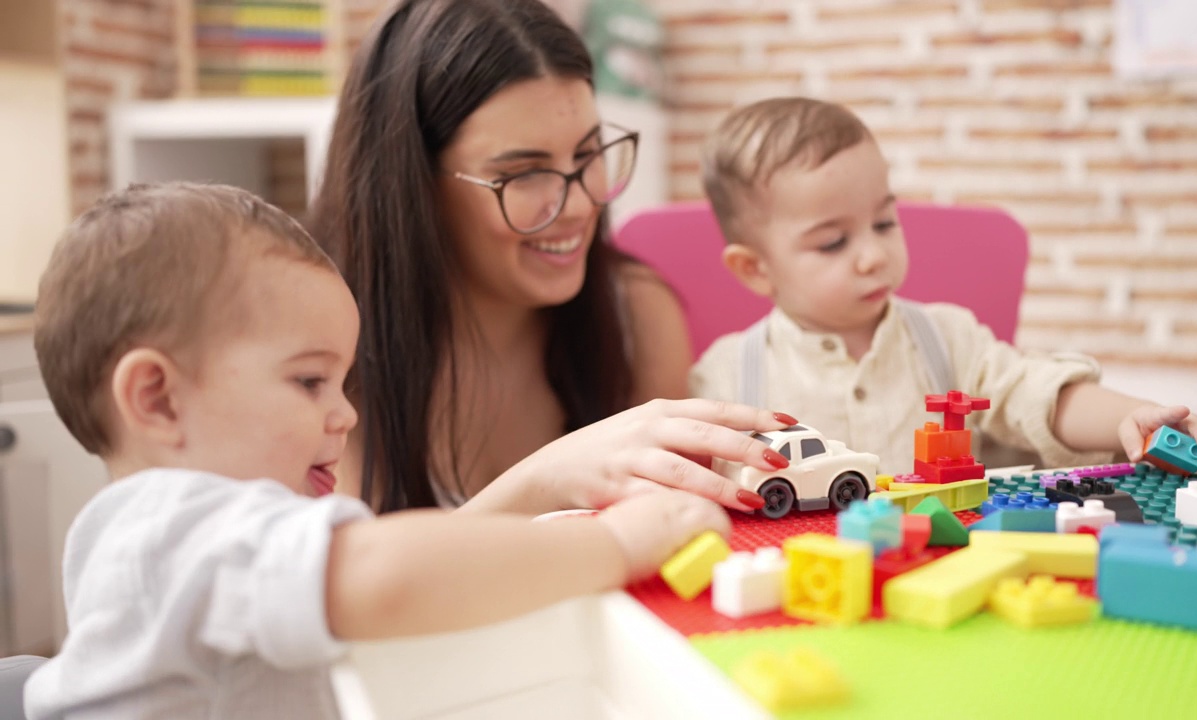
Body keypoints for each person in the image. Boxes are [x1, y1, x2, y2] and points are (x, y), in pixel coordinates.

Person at [22, 182, 743, 717]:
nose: (342, 414)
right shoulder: (170, 528)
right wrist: (616, 544)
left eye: (341, 381)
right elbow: (386, 576)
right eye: (309, 380)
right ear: (157, 398)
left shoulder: (167, 539)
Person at [308, 0, 781, 515]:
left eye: (586, 155)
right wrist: (548, 479)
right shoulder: (324, 354)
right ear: (412, 188)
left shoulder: (636, 316)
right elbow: (359, 584)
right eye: (525, 172)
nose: (580, 205)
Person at [690, 96, 1197, 479]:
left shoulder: (947, 338)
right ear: (756, 269)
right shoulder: (725, 374)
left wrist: (1129, 418)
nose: (874, 255)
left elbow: (1034, 392)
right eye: (832, 243)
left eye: (883, 223)